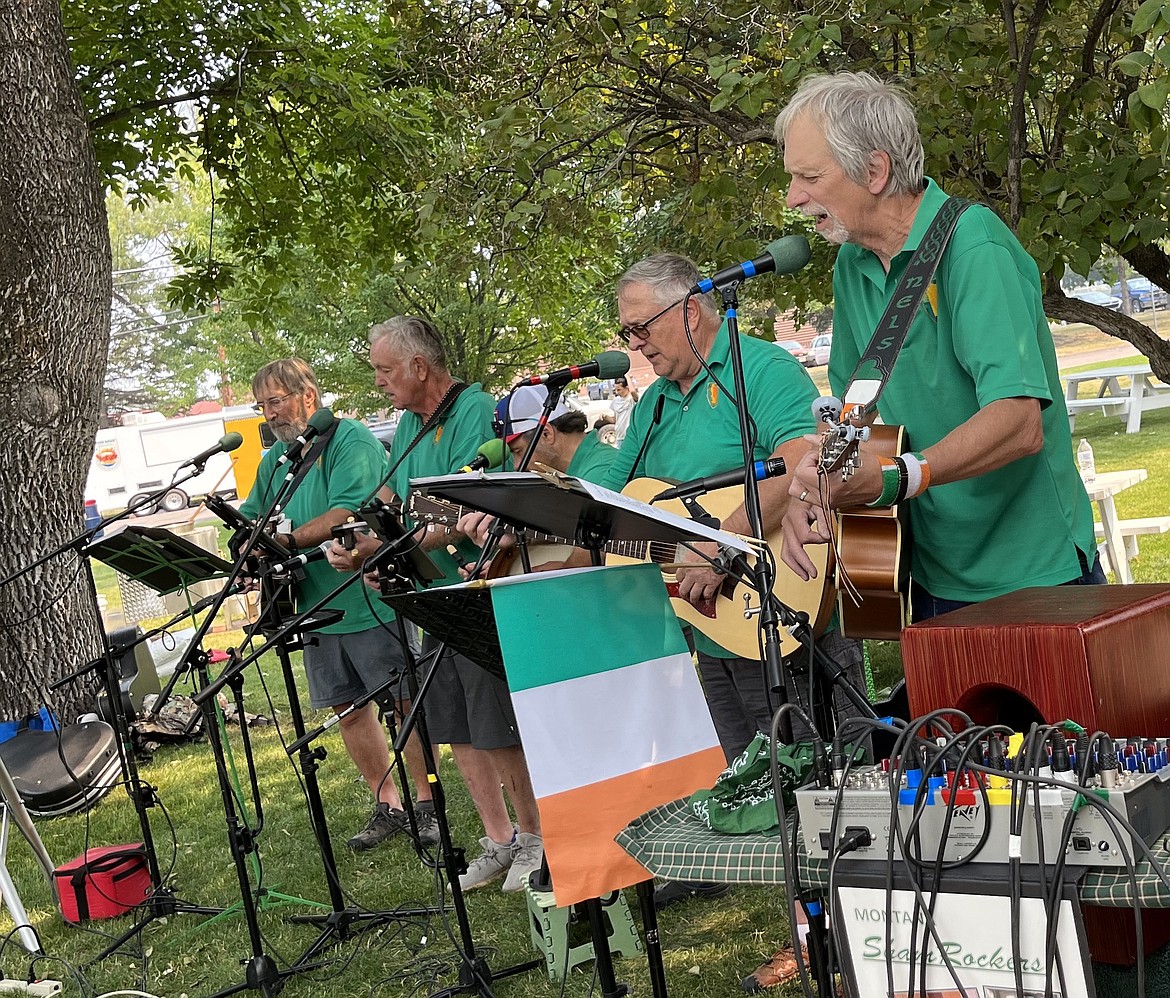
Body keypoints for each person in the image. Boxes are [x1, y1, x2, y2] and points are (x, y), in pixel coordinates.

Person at [775, 71, 1103, 623]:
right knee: (944, 716)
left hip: (1033, 570)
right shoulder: (851, 265)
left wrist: (897, 477)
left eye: (808, 176)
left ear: (875, 171)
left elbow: (1019, 422)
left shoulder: (973, 245)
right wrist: (814, 490)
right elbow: (853, 414)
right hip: (923, 567)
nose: (794, 198)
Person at [597, 253, 867, 909]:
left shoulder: (762, 367)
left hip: (784, 608)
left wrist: (720, 547)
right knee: (759, 788)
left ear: (690, 309)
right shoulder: (656, 402)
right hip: (717, 632)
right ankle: (806, 928)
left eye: (640, 327)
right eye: (627, 332)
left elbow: (804, 464)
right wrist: (524, 511)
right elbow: (609, 505)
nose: (632, 343)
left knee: (832, 788)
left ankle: (852, 931)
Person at [326, 316, 544, 893]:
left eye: (385, 369)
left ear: (420, 366)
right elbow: (402, 505)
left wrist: (394, 541)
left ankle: (534, 837)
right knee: (455, 726)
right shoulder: (405, 425)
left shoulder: (476, 410)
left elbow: (471, 511)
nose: (378, 382)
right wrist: (370, 549)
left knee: (495, 725)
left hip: (479, 595)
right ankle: (498, 841)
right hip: (431, 599)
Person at [239, 359, 437, 852]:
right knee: (348, 709)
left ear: (308, 395)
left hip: (366, 600)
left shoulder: (350, 439)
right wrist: (246, 545)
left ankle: (427, 804)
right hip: (311, 607)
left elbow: (348, 508)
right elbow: (248, 516)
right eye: (262, 405)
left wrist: (282, 539)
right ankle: (388, 803)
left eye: (276, 400)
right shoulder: (276, 460)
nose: (269, 414)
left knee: (401, 703)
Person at [609, 376, 637, 445]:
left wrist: (627, 376)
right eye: (615, 390)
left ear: (627, 388)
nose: (617, 392)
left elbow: (633, 391)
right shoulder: (616, 401)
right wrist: (605, 416)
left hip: (631, 437)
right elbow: (614, 420)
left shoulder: (631, 400)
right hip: (619, 437)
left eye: (619, 390)